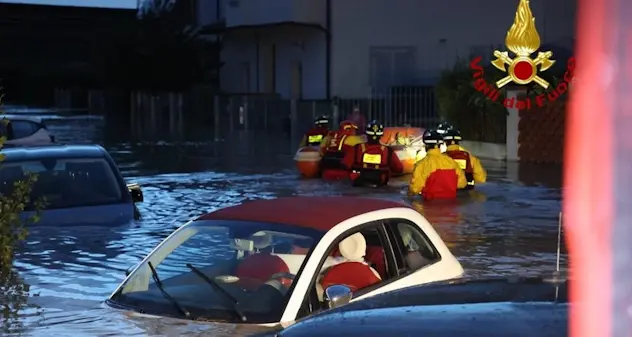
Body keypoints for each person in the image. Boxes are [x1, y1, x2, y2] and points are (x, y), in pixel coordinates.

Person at [408, 129, 467, 200]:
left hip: (430, 205)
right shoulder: (451, 162)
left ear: (426, 146)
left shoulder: (421, 164)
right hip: (451, 206)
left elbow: (415, 189)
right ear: (440, 145)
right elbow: (462, 183)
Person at [343, 120, 404, 186]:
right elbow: (399, 169)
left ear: (366, 134)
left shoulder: (357, 148)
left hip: (359, 186)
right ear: (381, 135)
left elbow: (345, 165)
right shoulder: (388, 151)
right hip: (380, 187)